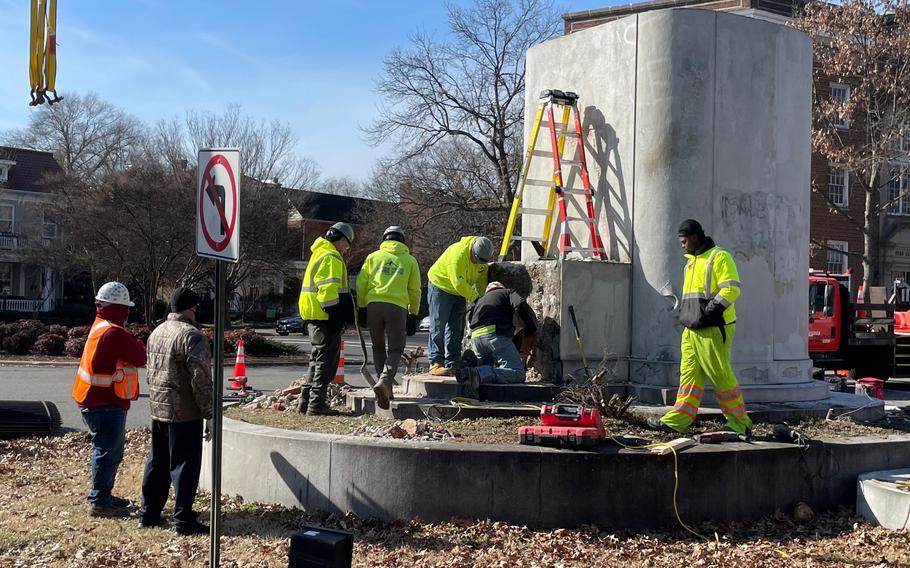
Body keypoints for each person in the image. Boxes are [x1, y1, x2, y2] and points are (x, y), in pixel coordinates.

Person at [650, 219, 753, 435]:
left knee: (719, 374)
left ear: (695, 237)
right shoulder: (691, 262)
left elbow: (731, 289)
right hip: (691, 329)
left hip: (713, 328)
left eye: (684, 240)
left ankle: (740, 423)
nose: (682, 245)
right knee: (688, 375)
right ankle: (678, 419)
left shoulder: (719, 257)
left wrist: (708, 313)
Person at [139, 287, 212, 535]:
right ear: (192, 308)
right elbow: (200, 380)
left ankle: (149, 513)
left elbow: (150, 371)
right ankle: (183, 519)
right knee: (185, 465)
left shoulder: (156, 332)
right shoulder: (193, 336)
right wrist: (210, 413)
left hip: (158, 408)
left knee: (157, 462)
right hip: (184, 412)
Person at [72, 281, 147, 518]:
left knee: (108, 449)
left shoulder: (101, 326)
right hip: (105, 402)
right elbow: (140, 356)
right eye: (125, 308)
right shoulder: (114, 332)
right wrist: (134, 339)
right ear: (117, 308)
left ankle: (103, 494)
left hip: (94, 399)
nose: (127, 313)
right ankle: (100, 500)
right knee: (107, 451)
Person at [355, 225, 421, 409]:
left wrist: (361, 307)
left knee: (377, 347)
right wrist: (413, 314)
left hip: (373, 305)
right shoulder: (409, 261)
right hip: (397, 307)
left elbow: (361, 283)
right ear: (403, 241)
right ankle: (385, 381)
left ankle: (385, 387)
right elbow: (414, 290)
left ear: (385, 239)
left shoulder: (373, 257)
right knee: (395, 349)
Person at [297, 222, 354, 415]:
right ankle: (316, 405)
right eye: (347, 244)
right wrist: (337, 315)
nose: (347, 249)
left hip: (315, 316)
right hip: (325, 317)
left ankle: (305, 402)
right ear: (340, 240)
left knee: (316, 360)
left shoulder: (319, 253)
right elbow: (328, 293)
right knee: (325, 362)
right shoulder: (331, 258)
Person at [426, 236, 494, 376]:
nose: (479, 264)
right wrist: (476, 299)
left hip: (460, 291)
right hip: (441, 286)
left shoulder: (482, 258)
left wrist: (482, 299)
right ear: (472, 252)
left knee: (456, 327)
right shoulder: (457, 255)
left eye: (483, 262)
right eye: (478, 260)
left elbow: (481, 280)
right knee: (438, 325)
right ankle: (435, 362)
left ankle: (453, 362)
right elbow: (458, 283)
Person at [457, 282, 537, 398]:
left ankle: (470, 368)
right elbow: (520, 304)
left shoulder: (480, 300)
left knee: (484, 375)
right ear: (501, 288)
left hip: (476, 338)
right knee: (517, 373)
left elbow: (469, 317)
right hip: (495, 335)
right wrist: (531, 327)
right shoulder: (507, 292)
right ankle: (477, 372)